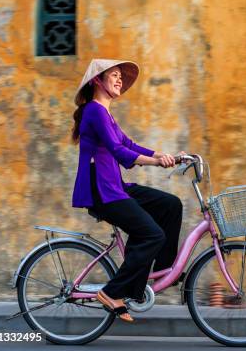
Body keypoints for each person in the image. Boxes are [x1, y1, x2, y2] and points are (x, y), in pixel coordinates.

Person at [71, 59, 184, 323]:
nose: (119, 79)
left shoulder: (105, 114)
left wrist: (166, 155)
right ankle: (112, 293)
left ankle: (164, 272)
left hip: (116, 187)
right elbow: (119, 151)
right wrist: (157, 163)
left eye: (121, 76)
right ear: (97, 81)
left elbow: (128, 143)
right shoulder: (94, 111)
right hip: (102, 191)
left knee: (171, 205)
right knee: (152, 234)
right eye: (114, 75)